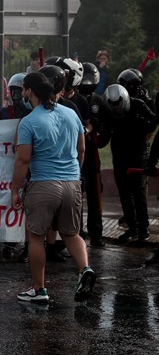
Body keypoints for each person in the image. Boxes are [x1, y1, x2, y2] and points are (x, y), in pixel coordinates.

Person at [11, 72, 96, 303]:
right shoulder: (70, 114)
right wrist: (74, 173)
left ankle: (38, 289)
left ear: (29, 91)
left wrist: (14, 190)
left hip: (43, 185)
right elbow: (82, 149)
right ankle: (85, 270)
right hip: (72, 183)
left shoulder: (29, 121)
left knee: (36, 236)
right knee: (71, 233)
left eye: (24, 90)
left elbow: (22, 160)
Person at [98, 83, 156, 244]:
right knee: (124, 193)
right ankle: (132, 227)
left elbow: (152, 124)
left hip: (138, 156)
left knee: (138, 193)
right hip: (119, 156)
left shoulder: (138, 105)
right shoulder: (107, 110)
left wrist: (136, 118)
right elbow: (104, 136)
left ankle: (143, 229)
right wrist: (94, 139)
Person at [78, 62, 106, 247]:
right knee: (76, 192)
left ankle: (97, 233)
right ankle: (77, 231)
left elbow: (106, 126)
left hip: (92, 151)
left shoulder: (99, 100)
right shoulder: (76, 100)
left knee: (95, 193)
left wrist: (98, 130)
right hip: (76, 151)